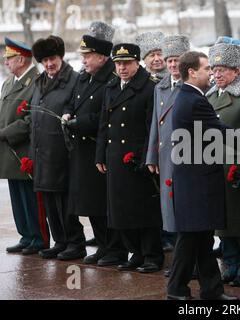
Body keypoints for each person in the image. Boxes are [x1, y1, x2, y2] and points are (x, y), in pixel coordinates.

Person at [167, 51, 238, 300]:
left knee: (201, 240)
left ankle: (211, 291)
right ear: (192, 72)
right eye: (207, 68)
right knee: (190, 240)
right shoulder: (194, 101)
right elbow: (219, 131)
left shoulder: (188, 97)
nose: (211, 72)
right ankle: (176, 290)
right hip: (197, 182)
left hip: (194, 180)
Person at [60, 21, 127, 265]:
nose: (84, 60)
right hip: (82, 149)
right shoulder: (83, 77)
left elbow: (108, 115)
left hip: (100, 149)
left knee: (103, 203)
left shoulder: (110, 78)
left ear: (101, 56)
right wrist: (68, 114)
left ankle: (115, 248)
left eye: (88, 55)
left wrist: (80, 122)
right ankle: (102, 245)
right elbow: (70, 101)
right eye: (83, 56)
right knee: (89, 203)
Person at [95, 43, 163, 273]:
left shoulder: (149, 87)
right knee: (120, 209)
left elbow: (152, 128)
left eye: (126, 63)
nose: (122, 68)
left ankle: (152, 255)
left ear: (137, 63)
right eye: (118, 63)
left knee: (143, 209)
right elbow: (104, 124)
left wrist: (146, 158)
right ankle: (136, 252)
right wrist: (100, 154)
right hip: (115, 156)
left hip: (136, 158)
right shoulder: (112, 86)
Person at [206, 39, 240, 287]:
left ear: (236, 71)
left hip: (237, 169)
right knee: (223, 222)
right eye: (214, 70)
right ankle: (231, 264)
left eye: (223, 70)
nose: (217, 75)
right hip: (215, 167)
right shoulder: (210, 96)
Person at [30, 35, 83, 259]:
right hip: (42, 151)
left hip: (63, 151)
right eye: (44, 60)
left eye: (52, 58)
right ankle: (60, 240)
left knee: (65, 201)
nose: (49, 64)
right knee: (49, 200)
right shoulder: (40, 82)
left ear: (60, 57)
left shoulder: (74, 80)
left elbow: (75, 110)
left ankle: (75, 242)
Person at [1, 37, 48, 255]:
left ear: (21, 59)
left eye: (9, 58)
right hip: (9, 151)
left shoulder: (38, 81)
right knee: (17, 198)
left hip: (26, 151)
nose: (5, 62)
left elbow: (33, 119)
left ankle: (38, 238)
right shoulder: (9, 82)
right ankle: (26, 235)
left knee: (32, 198)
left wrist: (5, 133)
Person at [146, 35, 190, 255]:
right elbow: (156, 122)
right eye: (169, 60)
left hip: (185, 155)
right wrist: (152, 156)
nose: (172, 65)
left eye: (177, 60)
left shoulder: (192, 85)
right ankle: (177, 257)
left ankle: (185, 258)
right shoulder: (160, 87)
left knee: (183, 208)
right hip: (165, 156)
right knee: (169, 210)